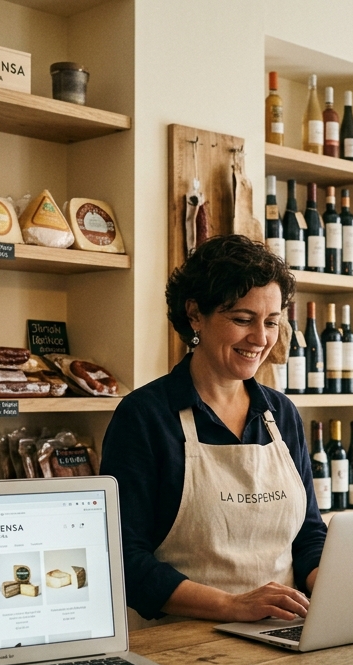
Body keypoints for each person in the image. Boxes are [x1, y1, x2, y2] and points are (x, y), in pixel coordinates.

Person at [101, 235, 326, 626]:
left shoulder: (281, 414)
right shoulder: (145, 417)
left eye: (271, 322)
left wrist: (332, 583)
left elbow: (307, 534)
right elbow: (124, 559)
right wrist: (232, 606)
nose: (260, 339)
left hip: (284, 633)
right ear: (194, 315)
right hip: (185, 641)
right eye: (242, 319)